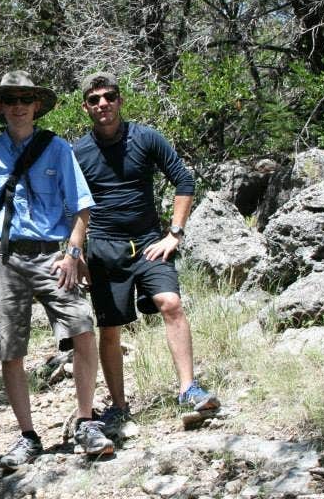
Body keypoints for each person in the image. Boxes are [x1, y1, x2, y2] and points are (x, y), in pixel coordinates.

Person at [0, 71, 113, 470]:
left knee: (83, 327)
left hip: (53, 255)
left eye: (25, 99)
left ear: (36, 106)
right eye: (10, 99)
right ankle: (27, 435)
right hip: (4, 256)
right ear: (1, 107)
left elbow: (82, 207)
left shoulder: (58, 149)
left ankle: (85, 421)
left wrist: (72, 253)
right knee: (10, 346)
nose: (18, 106)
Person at [73, 71, 219, 437]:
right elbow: (72, 205)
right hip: (105, 249)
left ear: (120, 100)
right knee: (109, 328)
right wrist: (76, 254)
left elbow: (184, 180)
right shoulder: (78, 153)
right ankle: (119, 408)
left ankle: (188, 389)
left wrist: (175, 233)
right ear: (86, 107)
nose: (103, 104)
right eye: (95, 99)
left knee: (171, 303)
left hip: (150, 242)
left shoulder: (146, 137)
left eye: (109, 96)